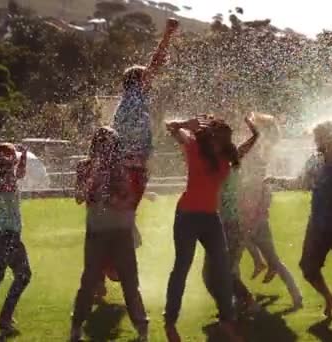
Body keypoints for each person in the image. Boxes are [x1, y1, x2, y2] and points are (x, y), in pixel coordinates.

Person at [265, 121, 332, 319]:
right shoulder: (313, 162)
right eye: (316, 138)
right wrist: (275, 180)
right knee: (308, 268)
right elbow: (300, 184)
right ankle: (330, 298)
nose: (316, 142)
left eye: (319, 137)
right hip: (317, 227)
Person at [163, 115, 250, 342]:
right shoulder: (193, 146)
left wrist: (256, 135)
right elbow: (170, 126)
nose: (223, 140)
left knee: (222, 270)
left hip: (211, 218)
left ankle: (226, 322)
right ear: (212, 136)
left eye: (225, 137)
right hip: (187, 216)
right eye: (220, 135)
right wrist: (184, 125)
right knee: (182, 267)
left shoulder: (225, 157)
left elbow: (242, 150)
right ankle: (170, 322)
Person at [69, 127, 148, 342]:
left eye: (111, 144)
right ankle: (76, 327)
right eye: (103, 144)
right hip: (96, 232)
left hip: (121, 232)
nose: (107, 149)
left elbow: (131, 197)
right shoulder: (85, 166)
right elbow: (78, 197)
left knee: (130, 282)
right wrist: (93, 174)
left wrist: (119, 201)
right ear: (95, 145)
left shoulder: (122, 168)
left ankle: (142, 327)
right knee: (89, 281)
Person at [112, 18, 178, 212]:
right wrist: (168, 34)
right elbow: (156, 63)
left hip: (128, 164)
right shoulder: (136, 94)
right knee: (126, 214)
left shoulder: (126, 100)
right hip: (130, 165)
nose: (151, 81)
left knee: (126, 212)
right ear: (139, 81)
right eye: (147, 77)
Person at [238, 113, 303, 309]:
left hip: (251, 209)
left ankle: (238, 299)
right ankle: (296, 295)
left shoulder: (257, 151)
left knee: (233, 258)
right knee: (271, 257)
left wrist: (251, 124)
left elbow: (252, 180)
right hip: (255, 209)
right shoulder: (261, 150)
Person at [202, 114, 260, 316]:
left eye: (212, 136)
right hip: (229, 224)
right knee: (217, 272)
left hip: (225, 225)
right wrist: (253, 130)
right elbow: (251, 141)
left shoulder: (223, 163)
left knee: (215, 273)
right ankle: (234, 305)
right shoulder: (232, 158)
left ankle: (244, 302)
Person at [0, 143, 31, 336]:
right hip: (4, 235)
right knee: (22, 275)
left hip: (4, 234)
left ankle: (4, 319)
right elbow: (11, 181)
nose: (11, 159)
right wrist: (16, 161)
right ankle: (4, 319)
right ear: (1, 158)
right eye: (9, 156)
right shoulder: (0, 174)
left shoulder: (0, 173)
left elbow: (19, 175)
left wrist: (24, 156)